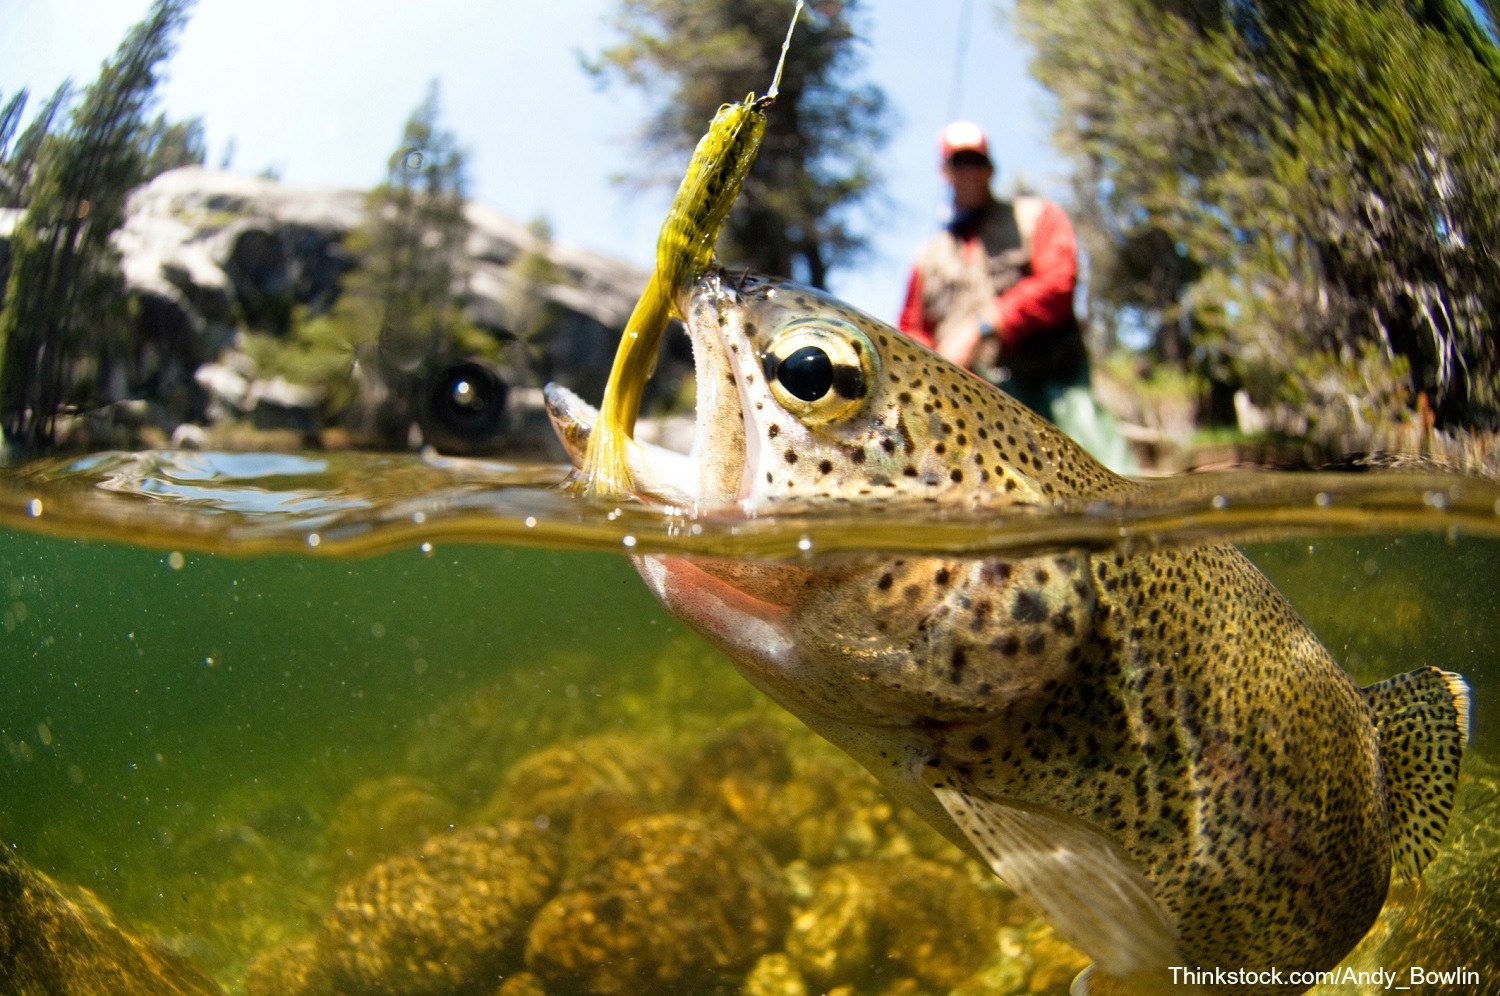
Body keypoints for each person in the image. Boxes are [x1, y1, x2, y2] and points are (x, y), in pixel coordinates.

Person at [898, 121, 1136, 473]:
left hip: (1056, 389)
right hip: (975, 412)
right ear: (944, 171)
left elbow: (1059, 283)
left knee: (1107, 478)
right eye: (958, 162)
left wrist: (983, 326)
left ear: (991, 168)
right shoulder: (927, 258)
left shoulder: (1037, 217)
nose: (969, 171)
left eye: (975, 161)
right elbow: (911, 330)